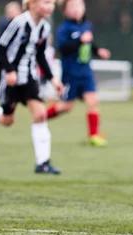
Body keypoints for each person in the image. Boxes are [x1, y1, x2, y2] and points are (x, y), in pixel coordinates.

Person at [0, 0, 64, 175]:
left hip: (29, 78)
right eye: (46, 2)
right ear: (32, 4)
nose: (51, 6)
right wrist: (9, 71)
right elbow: (0, 45)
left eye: (52, 3)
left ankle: (42, 163)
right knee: (8, 121)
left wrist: (53, 80)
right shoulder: (19, 22)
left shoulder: (44, 27)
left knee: (40, 114)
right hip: (10, 79)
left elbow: (40, 56)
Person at [44, 0, 111, 147]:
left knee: (93, 101)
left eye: (79, 6)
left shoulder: (86, 25)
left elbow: (89, 43)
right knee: (66, 106)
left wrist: (98, 50)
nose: (76, 9)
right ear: (64, 11)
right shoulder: (64, 28)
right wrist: (80, 41)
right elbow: (63, 49)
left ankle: (93, 136)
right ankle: (41, 117)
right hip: (71, 73)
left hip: (86, 72)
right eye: (72, 6)